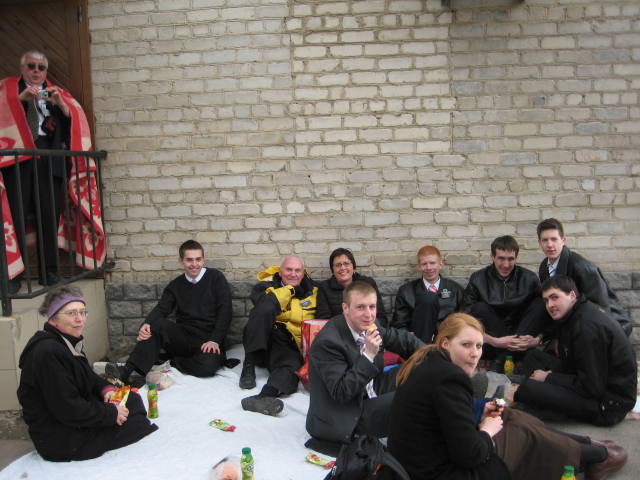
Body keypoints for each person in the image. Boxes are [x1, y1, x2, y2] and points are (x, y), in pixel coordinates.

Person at [388, 313, 628, 480]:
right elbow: (470, 454)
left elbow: (439, 414)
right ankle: (597, 456)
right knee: (520, 433)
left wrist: (480, 412)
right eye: (466, 345)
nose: (474, 354)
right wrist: (487, 430)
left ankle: (586, 444)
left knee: (510, 416)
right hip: (441, 473)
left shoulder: (428, 363)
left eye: (479, 346)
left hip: (423, 462)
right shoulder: (449, 377)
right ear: (445, 344)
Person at [17, 285, 157, 461]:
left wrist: (106, 389)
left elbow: (87, 376)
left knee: (133, 400)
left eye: (83, 312)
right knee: (138, 424)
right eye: (71, 313)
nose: (80, 319)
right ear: (53, 318)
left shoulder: (66, 341)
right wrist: (110, 413)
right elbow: (67, 408)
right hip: (61, 437)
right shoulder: (47, 353)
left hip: (74, 416)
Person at [305, 281, 423, 453]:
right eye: (360, 307)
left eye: (372, 307)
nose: (368, 314)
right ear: (345, 308)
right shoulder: (328, 342)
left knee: (418, 369)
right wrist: (368, 355)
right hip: (347, 415)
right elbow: (341, 392)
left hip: (368, 391)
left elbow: (402, 340)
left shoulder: (369, 325)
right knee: (408, 398)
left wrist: (436, 355)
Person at [515, 276, 637, 426]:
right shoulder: (575, 313)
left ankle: (552, 408)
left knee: (527, 389)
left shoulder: (586, 328)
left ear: (572, 295)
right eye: (546, 300)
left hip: (607, 404)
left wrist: (549, 378)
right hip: (592, 377)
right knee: (532, 356)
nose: (550, 305)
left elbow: (592, 388)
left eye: (555, 297)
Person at [110, 240, 232, 383]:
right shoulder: (176, 285)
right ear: (181, 261)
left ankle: (172, 362)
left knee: (207, 367)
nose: (194, 264)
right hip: (184, 337)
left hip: (208, 340)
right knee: (154, 324)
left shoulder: (216, 278)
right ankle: (126, 371)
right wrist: (145, 325)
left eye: (198, 259)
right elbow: (162, 308)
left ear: (203, 259)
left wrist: (215, 340)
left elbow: (225, 311)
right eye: (189, 260)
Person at [1, 51, 72, 293]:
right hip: (19, 158)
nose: (36, 71)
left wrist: (60, 104)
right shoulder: (9, 90)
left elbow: (70, 124)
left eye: (41, 67)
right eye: (31, 66)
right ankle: (14, 277)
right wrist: (19, 101)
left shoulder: (55, 92)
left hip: (47, 157)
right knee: (17, 216)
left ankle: (49, 272)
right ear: (22, 68)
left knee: (48, 215)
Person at [239, 255, 318, 416]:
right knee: (261, 311)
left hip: (292, 344)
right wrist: (290, 290)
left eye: (297, 270)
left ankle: (264, 397)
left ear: (303, 273)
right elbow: (263, 309)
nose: (293, 274)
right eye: (289, 270)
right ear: (280, 272)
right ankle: (249, 363)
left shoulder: (314, 291)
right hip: (269, 339)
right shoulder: (265, 287)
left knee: (291, 369)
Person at [537, 218, 632, 336]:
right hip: (573, 324)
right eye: (545, 240)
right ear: (540, 243)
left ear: (563, 240)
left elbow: (600, 306)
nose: (550, 245)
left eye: (554, 239)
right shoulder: (544, 267)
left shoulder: (581, 267)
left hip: (606, 329)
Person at [460, 235, 545, 360]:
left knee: (541, 303)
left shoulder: (529, 278)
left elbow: (542, 314)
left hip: (521, 333)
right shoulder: (478, 279)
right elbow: (464, 317)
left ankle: (504, 359)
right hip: (492, 340)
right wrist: (495, 341)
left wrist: (538, 339)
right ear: (492, 257)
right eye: (501, 258)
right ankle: (510, 358)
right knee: (479, 308)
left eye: (510, 259)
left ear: (517, 257)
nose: (506, 265)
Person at [391, 245, 464, 342]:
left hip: (449, 341)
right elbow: (399, 324)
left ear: (441, 264)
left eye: (432, 263)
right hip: (418, 342)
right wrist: (408, 336)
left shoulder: (455, 289)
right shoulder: (406, 291)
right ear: (418, 267)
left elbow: (464, 319)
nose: (428, 268)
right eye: (424, 264)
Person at [315, 247, 386, 324]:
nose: (342, 268)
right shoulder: (325, 288)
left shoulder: (367, 283)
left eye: (346, 263)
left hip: (367, 328)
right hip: (338, 330)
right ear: (333, 269)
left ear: (353, 266)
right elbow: (323, 321)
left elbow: (380, 317)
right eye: (338, 265)